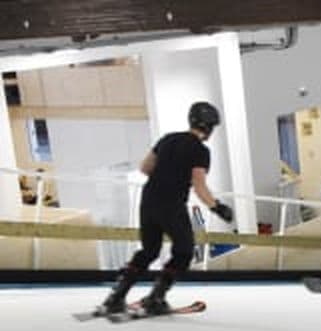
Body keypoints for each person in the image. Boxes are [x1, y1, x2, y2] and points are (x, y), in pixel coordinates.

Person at [98, 101, 234, 315]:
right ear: (209, 127)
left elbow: (145, 167)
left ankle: (116, 297)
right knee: (184, 251)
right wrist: (217, 207)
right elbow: (199, 185)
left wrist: (166, 172)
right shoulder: (200, 150)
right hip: (171, 203)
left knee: (149, 250)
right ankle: (156, 297)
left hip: (149, 199)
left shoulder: (168, 139)